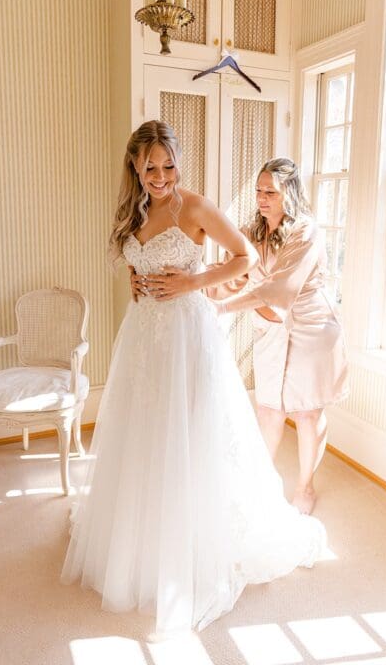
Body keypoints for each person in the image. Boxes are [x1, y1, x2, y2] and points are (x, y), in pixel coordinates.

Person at [61, 121, 326, 636]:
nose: (161, 176)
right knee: (144, 431)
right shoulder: (133, 210)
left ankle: (194, 540)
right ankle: (140, 539)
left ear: (179, 162)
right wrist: (137, 278)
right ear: (135, 168)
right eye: (150, 167)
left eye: (169, 165)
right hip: (143, 335)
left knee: (191, 430)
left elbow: (244, 259)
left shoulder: (196, 207)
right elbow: (137, 260)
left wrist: (193, 281)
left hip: (187, 333)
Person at [198, 158, 348, 515]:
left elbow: (280, 289)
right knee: (268, 410)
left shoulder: (307, 232)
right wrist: (196, 284)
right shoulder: (251, 234)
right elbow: (231, 278)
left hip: (311, 330)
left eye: (270, 192)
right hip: (269, 329)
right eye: (258, 191)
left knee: (308, 413)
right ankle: (265, 482)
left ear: (289, 194)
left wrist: (223, 309)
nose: (262, 199)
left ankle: (305, 486)